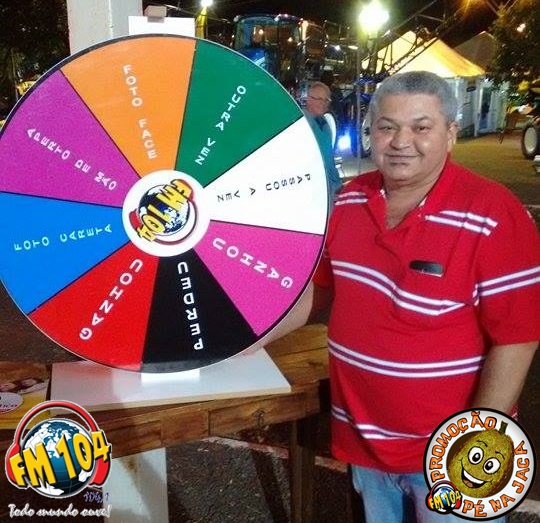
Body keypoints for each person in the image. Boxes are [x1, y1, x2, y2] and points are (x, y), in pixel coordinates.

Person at [269, 70, 539, 522]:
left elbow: (518, 338)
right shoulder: (350, 202)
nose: (400, 142)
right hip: (365, 443)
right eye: (387, 127)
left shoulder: (493, 214)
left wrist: (476, 444)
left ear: (450, 134)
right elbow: (318, 290)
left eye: (421, 127)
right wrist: (244, 342)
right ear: (371, 132)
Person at [304, 81, 343, 203]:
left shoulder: (325, 124)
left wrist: (337, 186)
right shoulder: (302, 124)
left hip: (330, 188)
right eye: (319, 99)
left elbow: (329, 160)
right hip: (313, 188)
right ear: (309, 99)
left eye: (326, 100)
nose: (324, 103)